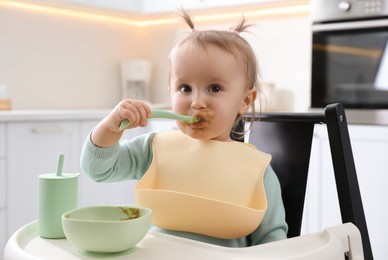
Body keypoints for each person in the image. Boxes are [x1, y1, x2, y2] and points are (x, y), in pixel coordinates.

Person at [81, 9, 288, 247]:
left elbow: (273, 241)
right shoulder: (153, 149)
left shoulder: (257, 170)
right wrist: (110, 127)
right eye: (185, 88)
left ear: (245, 101)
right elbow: (97, 169)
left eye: (214, 88)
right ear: (170, 91)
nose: (196, 102)